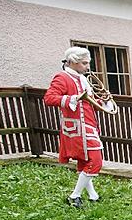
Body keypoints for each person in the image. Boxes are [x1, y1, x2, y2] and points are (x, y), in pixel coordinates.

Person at [43, 46, 106, 208]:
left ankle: (93, 195)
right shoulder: (62, 77)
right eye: (84, 63)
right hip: (76, 128)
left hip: (89, 124)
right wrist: (73, 98)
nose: (87, 67)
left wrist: (103, 102)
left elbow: (88, 102)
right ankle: (75, 195)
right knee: (95, 161)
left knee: (85, 161)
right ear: (72, 62)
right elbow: (49, 99)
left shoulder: (81, 79)